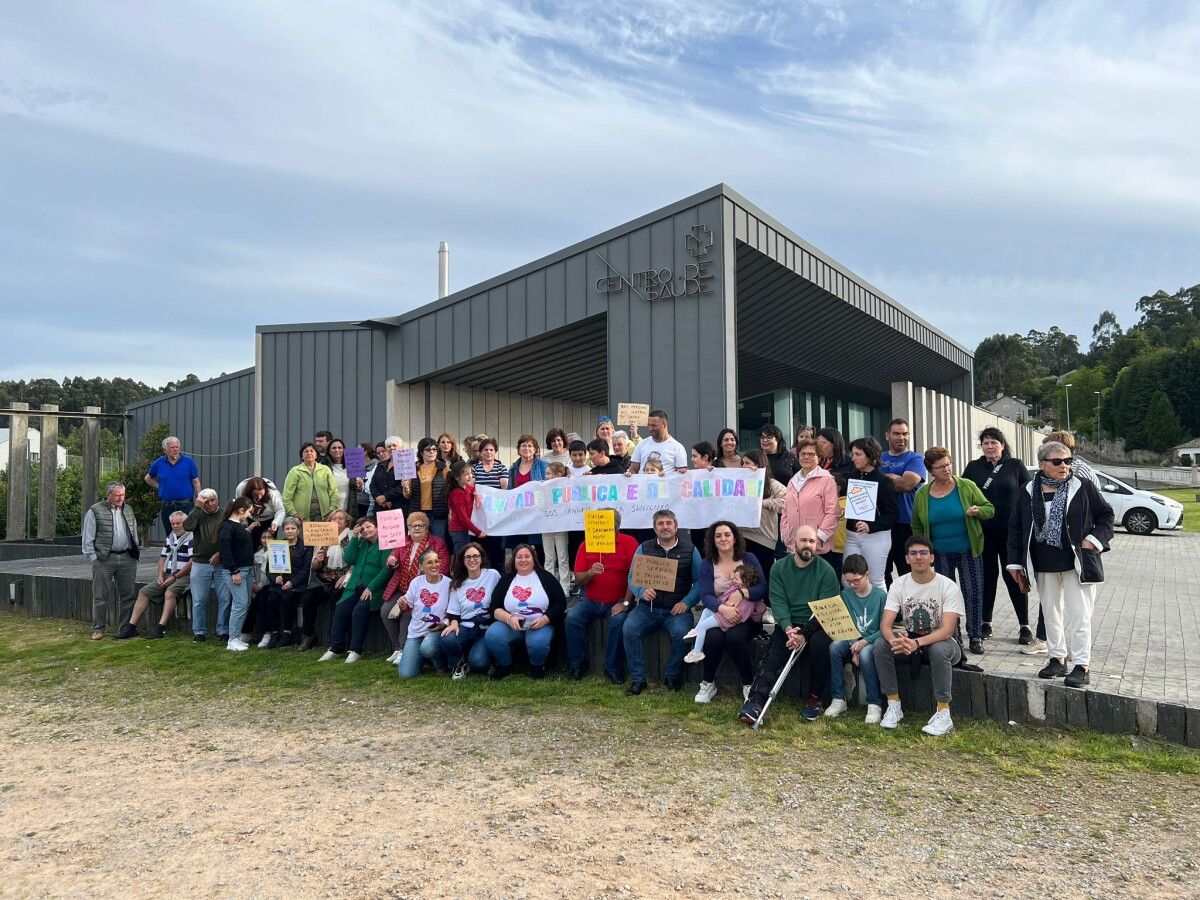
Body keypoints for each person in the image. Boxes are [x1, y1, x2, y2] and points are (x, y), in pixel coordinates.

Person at [1008, 441, 1114, 688]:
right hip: (1043, 562)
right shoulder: (1027, 490)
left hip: (1077, 562)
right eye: (1057, 462)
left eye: (1068, 461)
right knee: (1051, 613)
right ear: (1043, 464)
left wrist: (1094, 540)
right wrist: (1014, 563)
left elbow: (1106, 515)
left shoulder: (1082, 486)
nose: (1064, 466)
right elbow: (1015, 527)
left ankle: (1082, 665)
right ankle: (1057, 658)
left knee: (1080, 615)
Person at [737, 525, 840, 725]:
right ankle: (755, 702)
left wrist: (804, 634)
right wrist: (787, 628)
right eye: (803, 540)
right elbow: (778, 602)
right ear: (793, 543)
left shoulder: (826, 571)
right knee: (774, 653)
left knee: (819, 646)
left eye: (812, 541)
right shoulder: (779, 568)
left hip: (816, 625)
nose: (808, 545)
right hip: (789, 624)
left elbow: (826, 609)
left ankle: (815, 699)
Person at [872, 535, 966, 736]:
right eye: (913, 553)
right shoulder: (899, 584)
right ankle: (894, 704)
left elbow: (948, 630)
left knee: (940, 649)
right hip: (911, 642)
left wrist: (916, 643)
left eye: (923, 553)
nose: (918, 557)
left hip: (944, 643)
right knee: (881, 645)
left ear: (932, 558)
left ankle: (943, 713)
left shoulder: (948, 585)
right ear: (906, 559)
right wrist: (897, 641)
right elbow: (886, 624)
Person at [911, 446, 995, 654]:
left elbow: (989, 509)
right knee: (946, 595)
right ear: (931, 471)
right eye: (940, 467)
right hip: (939, 553)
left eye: (948, 464)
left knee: (973, 591)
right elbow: (917, 526)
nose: (947, 469)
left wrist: (978, 511)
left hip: (968, 549)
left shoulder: (966, 486)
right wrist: (922, 550)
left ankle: (975, 635)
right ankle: (952, 634)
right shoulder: (922, 494)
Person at [962, 427, 1034, 646]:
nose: (990, 446)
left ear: (1003, 445)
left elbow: (1029, 494)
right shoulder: (973, 467)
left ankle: (1024, 626)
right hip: (983, 533)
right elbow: (963, 493)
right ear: (981, 447)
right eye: (985, 443)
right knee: (987, 578)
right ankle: (985, 622)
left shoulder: (1015, 465)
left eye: (994, 442)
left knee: (1015, 576)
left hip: (1012, 534)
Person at [622, 509, 701, 695]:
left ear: (676, 526)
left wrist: (687, 602)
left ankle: (672, 676)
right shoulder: (644, 547)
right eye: (660, 523)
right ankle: (638, 680)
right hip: (647, 608)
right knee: (629, 629)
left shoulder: (690, 549)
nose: (665, 527)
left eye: (668, 523)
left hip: (676, 609)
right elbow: (632, 576)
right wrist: (641, 591)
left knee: (683, 633)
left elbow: (699, 582)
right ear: (654, 528)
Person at [692, 522, 768, 704]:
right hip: (720, 613)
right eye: (718, 535)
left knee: (735, 638)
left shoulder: (749, 558)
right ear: (712, 540)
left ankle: (748, 684)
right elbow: (706, 595)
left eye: (727, 534)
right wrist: (723, 608)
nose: (723, 538)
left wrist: (742, 592)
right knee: (713, 637)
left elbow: (762, 588)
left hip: (746, 615)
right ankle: (708, 682)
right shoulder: (707, 564)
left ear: (735, 538)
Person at [565, 508, 640, 682]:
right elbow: (578, 579)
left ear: (617, 526)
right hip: (590, 600)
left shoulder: (629, 543)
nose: (602, 530)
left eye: (607, 526)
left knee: (619, 621)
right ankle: (577, 664)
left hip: (619, 600)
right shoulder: (585, 545)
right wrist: (591, 572)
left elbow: (634, 576)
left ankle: (612, 668)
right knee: (572, 619)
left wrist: (626, 604)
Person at [484, 544, 567, 679]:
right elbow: (494, 607)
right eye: (519, 557)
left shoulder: (546, 577)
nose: (523, 560)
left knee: (538, 643)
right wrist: (509, 619)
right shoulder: (506, 579)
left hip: (539, 624)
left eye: (527, 556)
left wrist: (545, 619)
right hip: (511, 625)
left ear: (534, 560)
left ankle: (537, 666)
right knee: (493, 635)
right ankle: (506, 665)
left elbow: (560, 602)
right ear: (514, 561)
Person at [379, 512, 452, 664]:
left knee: (407, 613)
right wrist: (392, 562)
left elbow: (443, 566)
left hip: (426, 587)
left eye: (421, 525)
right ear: (408, 529)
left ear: (427, 528)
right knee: (386, 611)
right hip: (401, 585)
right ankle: (397, 648)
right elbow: (394, 560)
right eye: (413, 526)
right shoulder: (402, 542)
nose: (417, 528)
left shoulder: (437, 543)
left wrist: (427, 579)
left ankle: (405, 649)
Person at [319, 515, 393, 663]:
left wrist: (371, 587)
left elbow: (386, 570)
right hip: (354, 586)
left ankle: (355, 650)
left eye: (368, 527)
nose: (365, 530)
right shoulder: (361, 543)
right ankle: (335, 648)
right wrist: (354, 537)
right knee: (341, 608)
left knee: (359, 610)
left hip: (374, 588)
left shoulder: (386, 543)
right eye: (362, 528)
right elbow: (349, 558)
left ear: (377, 527)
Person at [824, 554, 886, 722]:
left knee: (866, 654)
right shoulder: (846, 595)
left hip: (872, 639)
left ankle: (874, 703)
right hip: (852, 638)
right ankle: (838, 698)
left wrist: (863, 642)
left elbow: (884, 629)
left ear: (867, 575)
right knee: (835, 647)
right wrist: (854, 646)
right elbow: (845, 624)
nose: (853, 585)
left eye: (856, 580)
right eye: (848, 581)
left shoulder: (881, 596)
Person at [83, 482, 141, 640]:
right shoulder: (95, 511)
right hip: (103, 559)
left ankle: (125, 628)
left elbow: (134, 531)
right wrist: (93, 558)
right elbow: (88, 538)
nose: (121, 498)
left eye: (123, 495)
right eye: (117, 495)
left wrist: (136, 552)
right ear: (108, 495)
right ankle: (99, 628)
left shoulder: (128, 509)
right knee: (100, 595)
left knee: (128, 595)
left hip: (127, 557)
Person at [125, 510, 193, 640]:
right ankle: (131, 627)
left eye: (178, 523)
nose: (175, 526)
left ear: (185, 523)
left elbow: (192, 562)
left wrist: (175, 577)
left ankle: (161, 628)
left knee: (170, 592)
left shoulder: (192, 537)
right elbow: (162, 558)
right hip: (168, 574)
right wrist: (160, 576)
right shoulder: (170, 538)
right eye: (173, 524)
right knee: (144, 591)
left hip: (184, 576)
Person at [843, 437, 898, 588]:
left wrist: (871, 526)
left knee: (875, 580)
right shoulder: (851, 477)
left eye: (858, 454)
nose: (853, 458)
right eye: (853, 454)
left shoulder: (884, 481)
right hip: (852, 535)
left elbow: (892, 514)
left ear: (870, 455)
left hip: (875, 537)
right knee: (847, 580)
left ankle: (882, 612)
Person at [440, 542, 501, 678]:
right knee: (447, 639)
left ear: (481, 558)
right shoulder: (458, 583)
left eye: (475, 556)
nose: (472, 560)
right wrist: (454, 623)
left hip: (486, 626)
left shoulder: (493, 575)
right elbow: (454, 612)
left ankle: (483, 660)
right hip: (466, 626)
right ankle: (458, 663)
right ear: (462, 560)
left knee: (478, 662)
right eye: (468, 557)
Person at [879, 419, 927, 587]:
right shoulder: (879, 458)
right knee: (882, 572)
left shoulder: (915, 458)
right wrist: (893, 478)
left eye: (905, 434)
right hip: (882, 524)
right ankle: (892, 610)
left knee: (907, 571)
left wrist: (882, 479)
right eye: (896, 433)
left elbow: (906, 484)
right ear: (887, 436)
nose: (901, 437)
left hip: (906, 525)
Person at [298, 509, 353, 652]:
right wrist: (317, 560)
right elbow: (315, 567)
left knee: (337, 599)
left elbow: (355, 561)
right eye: (334, 518)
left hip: (342, 579)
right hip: (323, 579)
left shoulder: (352, 536)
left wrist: (346, 576)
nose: (337, 521)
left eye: (341, 518)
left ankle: (334, 640)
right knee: (307, 599)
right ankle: (309, 635)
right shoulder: (322, 537)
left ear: (346, 521)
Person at [780, 438, 839, 570]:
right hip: (794, 546)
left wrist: (818, 538)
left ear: (819, 457)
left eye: (811, 454)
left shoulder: (826, 480)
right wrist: (785, 535)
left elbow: (833, 512)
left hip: (817, 548)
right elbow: (785, 511)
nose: (806, 456)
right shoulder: (793, 481)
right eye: (802, 453)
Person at [257, 516, 312, 649]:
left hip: (297, 585)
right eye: (287, 528)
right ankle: (275, 632)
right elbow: (269, 568)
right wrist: (275, 577)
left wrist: (292, 582)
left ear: (298, 530)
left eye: (293, 528)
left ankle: (287, 633)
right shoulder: (277, 545)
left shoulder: (305, 547)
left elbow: (306, 570)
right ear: (283, 530)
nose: (290, 531)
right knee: (271, 599)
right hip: (279, 583)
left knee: (288, 598)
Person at [183, 489, 231, 642]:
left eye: (212, 500)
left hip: (222, 562)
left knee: (224, 599)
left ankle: (223, 631)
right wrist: (197, 507)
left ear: (217, 499)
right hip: (200, 563)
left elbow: (232, 538)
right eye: (206, 501)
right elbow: (188, 526)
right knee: (198, 600)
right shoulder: (197, 514)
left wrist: (221, 554)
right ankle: (199, 632)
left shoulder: (225, 514)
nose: (210, 504)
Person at [396, 548, 450, 678]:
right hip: (416, 633)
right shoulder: (416, 582)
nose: (434, 565)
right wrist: (402, 604)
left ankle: (440, 664)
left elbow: (453, 612)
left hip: (436, 631)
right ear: (421, 566)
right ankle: (424, 659)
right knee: (406, 674)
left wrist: (444, 623)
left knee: (428, 647)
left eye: (436, 561)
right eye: (429, 562)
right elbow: (407, 607)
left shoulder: (449, 583)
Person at [738, 450, 787, 579]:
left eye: (747, 463)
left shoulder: (772, 484)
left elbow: (787, 502)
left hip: (764, 540)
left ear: (758, 465)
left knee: (763, 578)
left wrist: (762, 503)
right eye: (742, 463)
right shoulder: (738, 483)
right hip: (742, 537)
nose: (743, 467)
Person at [217, 497, 256, 652]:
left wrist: (249, 529)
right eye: (249, 510)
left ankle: (236, 636)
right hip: (236, 571)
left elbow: (238, 541)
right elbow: (226, 551)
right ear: (241, 510)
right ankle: (232, 639)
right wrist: (234, 571)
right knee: (239, 604)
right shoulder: (227, 527)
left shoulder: (238, 526)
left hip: (246, 569)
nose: (250, 513)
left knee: (244, 603)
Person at [144, 436, 200, 537]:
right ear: (165, 449)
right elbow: (148, 478)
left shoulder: (189, 462)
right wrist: (160, 487)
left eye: (177, 447)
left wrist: (199, 500)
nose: (175, 449)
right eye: (172, 447)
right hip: (167, 505)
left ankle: (187, 553)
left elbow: (195, 481)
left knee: (189, 534)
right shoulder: (158, 463)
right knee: (170, 535)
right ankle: (171, 552)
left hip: (186, 505)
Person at [403, 437, 452, 541]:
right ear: (421, 452)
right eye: (428, 450)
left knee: (438, 542)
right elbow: (408, 495)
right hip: (418, 513)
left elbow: (450, 490)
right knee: (419, 542)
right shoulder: (413, 468)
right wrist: (406, 487)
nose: (431, 452)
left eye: (434, 449)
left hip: (438, 513)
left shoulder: (443, 468)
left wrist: (451, 510)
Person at [471, 436, 509, 567]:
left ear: (495, 451)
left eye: (491, 449)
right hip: (479, 514)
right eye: (485, 449)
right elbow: (471, 487)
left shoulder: (501, 468)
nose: (488, 452)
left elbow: (504, 488)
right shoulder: (474, 469)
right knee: (480, 545)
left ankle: (498, 573)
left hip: (496, 514)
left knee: (497, 546)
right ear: (480, 452)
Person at [282, 441, 339, 521]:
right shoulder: (295, 471)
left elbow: (333, 491)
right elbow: (286, 497)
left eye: (312, 451)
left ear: (316, 455)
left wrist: (332, 508)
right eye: (306, 451)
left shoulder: (325, 470)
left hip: (325, 514)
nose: (309, 453)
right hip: (301, 516)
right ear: (302, 456)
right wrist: (293, 513)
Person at [541, 462, 572, 595]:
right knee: (549, 558)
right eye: (546, 474)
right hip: (546, 526)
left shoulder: (565, 486)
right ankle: (550, 586)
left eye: (548, 473)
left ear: (558, 475)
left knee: (562, 557)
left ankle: (565, 586)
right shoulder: (542, 487)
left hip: (561, 526)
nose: (546, 476)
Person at [447, 460, 487, 555]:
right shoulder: (457, 493)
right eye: (466, 474)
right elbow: (463, 517)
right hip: (458, 530)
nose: (470, 476)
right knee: (461, 555)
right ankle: (456, 570)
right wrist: (477, 532)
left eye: (471, 473)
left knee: (464, 554)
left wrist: (475, 494)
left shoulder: (467, 487)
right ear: (457, 478)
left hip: (465, 529)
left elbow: (474, 490)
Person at [237, 475, 286, 546]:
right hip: (250, 520)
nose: (259, 497)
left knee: (269, 545)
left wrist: (276, 522)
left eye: (262, 494)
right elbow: (240, 506)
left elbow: (281, 510)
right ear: (250, 491)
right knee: (250, 544)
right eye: (255, 494)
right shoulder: (241, 489)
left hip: (269, 521)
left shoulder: (273, 493)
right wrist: (244, 522)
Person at [369, 436, 409, 516]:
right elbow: (373, 485)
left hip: (398, 507)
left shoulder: (406, 464)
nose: (391, 448)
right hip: (380, 507)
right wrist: (379, 498)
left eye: (394, 445)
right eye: (389, 446)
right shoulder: (380, 465)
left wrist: (386, 497)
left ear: (400, 447)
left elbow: (404, 485)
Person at [327, 438, 364, 513]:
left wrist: (360, 485)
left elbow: (359, 489)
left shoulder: (352, 464)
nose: (337, 450)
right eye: (334, 448)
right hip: (329, 508)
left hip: (348, 508)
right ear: (329, 451)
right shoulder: (323, 467)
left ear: (344, 450)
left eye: (339, 448)